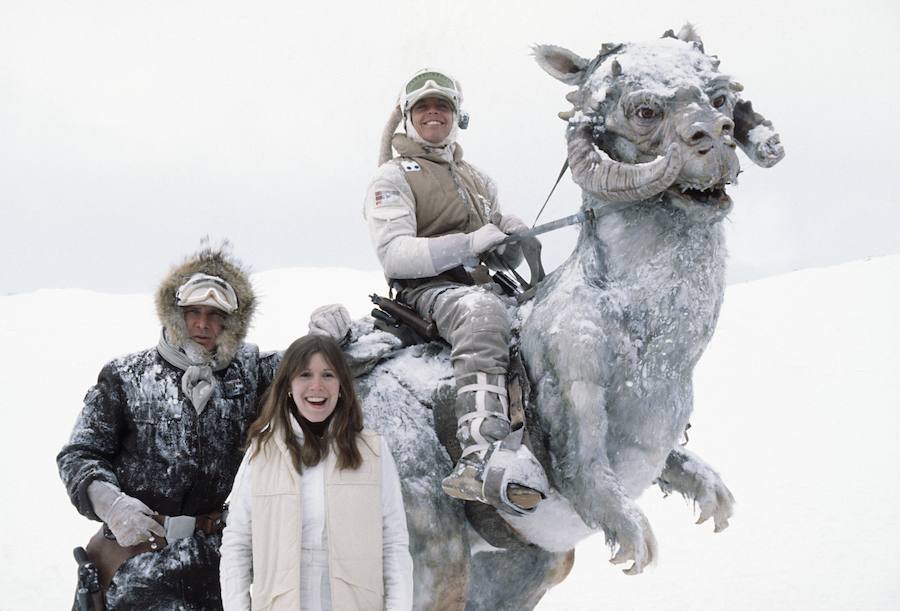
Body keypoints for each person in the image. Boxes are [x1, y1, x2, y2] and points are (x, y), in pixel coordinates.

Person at [57, 246, 351, 610]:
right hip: (134, 561)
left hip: (215, 566)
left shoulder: (249, 373)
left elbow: (305, 372)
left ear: (233, 322)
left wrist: (326, 337)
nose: (202, 324)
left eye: (215, 315)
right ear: (174, 313)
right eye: (193, 312)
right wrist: (112, 504)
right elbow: (79, 455)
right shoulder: (126, 377)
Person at [363, 68, 548, 515]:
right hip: (427, 293)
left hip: (487, 286)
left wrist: (512, 240)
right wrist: (467, 244)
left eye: (442, 106)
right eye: (423, 107)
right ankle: (480, 456)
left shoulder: (478, 179)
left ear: (457, 116)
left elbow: (496, 258)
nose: (434, 113)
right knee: (482, 314)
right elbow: (394, 255)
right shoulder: (392, 177)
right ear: (408, 117)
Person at [219, 334, 413, 611]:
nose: (317, 386)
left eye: (328, 375)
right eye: (305, 374)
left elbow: (393, 545)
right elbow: (237, 543)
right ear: (288, 384)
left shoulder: (373, 451)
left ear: (342, 385)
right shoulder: (261, 452)